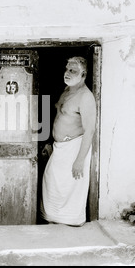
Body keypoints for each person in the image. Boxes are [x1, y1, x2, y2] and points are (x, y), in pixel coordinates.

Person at [40, 56, 96, 227]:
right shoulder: (67, 90)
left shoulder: (85, 97)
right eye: (67, 69)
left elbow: (90, 130)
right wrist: (51, 142)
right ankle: (53, 222)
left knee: (68, 188)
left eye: (73, 71)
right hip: (59, 148)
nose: (68, 73)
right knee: (51, 182)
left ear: (83, 74)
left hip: (74, 149)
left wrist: (79, 160)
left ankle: (68, 224)